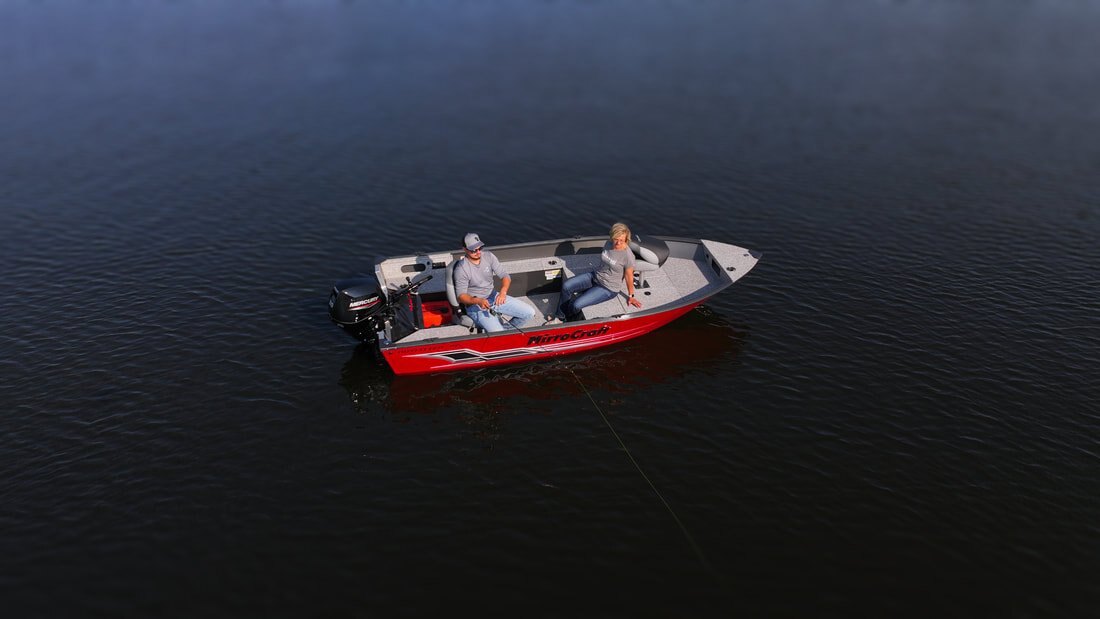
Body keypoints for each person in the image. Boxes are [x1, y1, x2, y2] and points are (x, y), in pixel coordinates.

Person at [555, 222, 643, 321]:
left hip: (608, 288)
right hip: (595, 276)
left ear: (626, 240)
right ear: (612, 237)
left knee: (576, 304)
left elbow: (629, 276)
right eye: (616, 239)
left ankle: (568, 318)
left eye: (621, 240)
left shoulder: (627, 256)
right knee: (566, 286)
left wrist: (631, 296)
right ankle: (560, 315)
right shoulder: (608, 243)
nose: (618, 243)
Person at [453, 232, 537, 332]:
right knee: (497, 332)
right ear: (465, 249)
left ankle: (504, 331)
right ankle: (499, 333)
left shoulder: (489, 256)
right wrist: (478, 301)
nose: (478, 252)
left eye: (480, 248)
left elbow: (504, 275)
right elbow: (461, 296)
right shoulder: (461, 269)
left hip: (494, 296)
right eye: (473, 250)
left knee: (529, 313)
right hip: (476, 306)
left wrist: (503, 292)